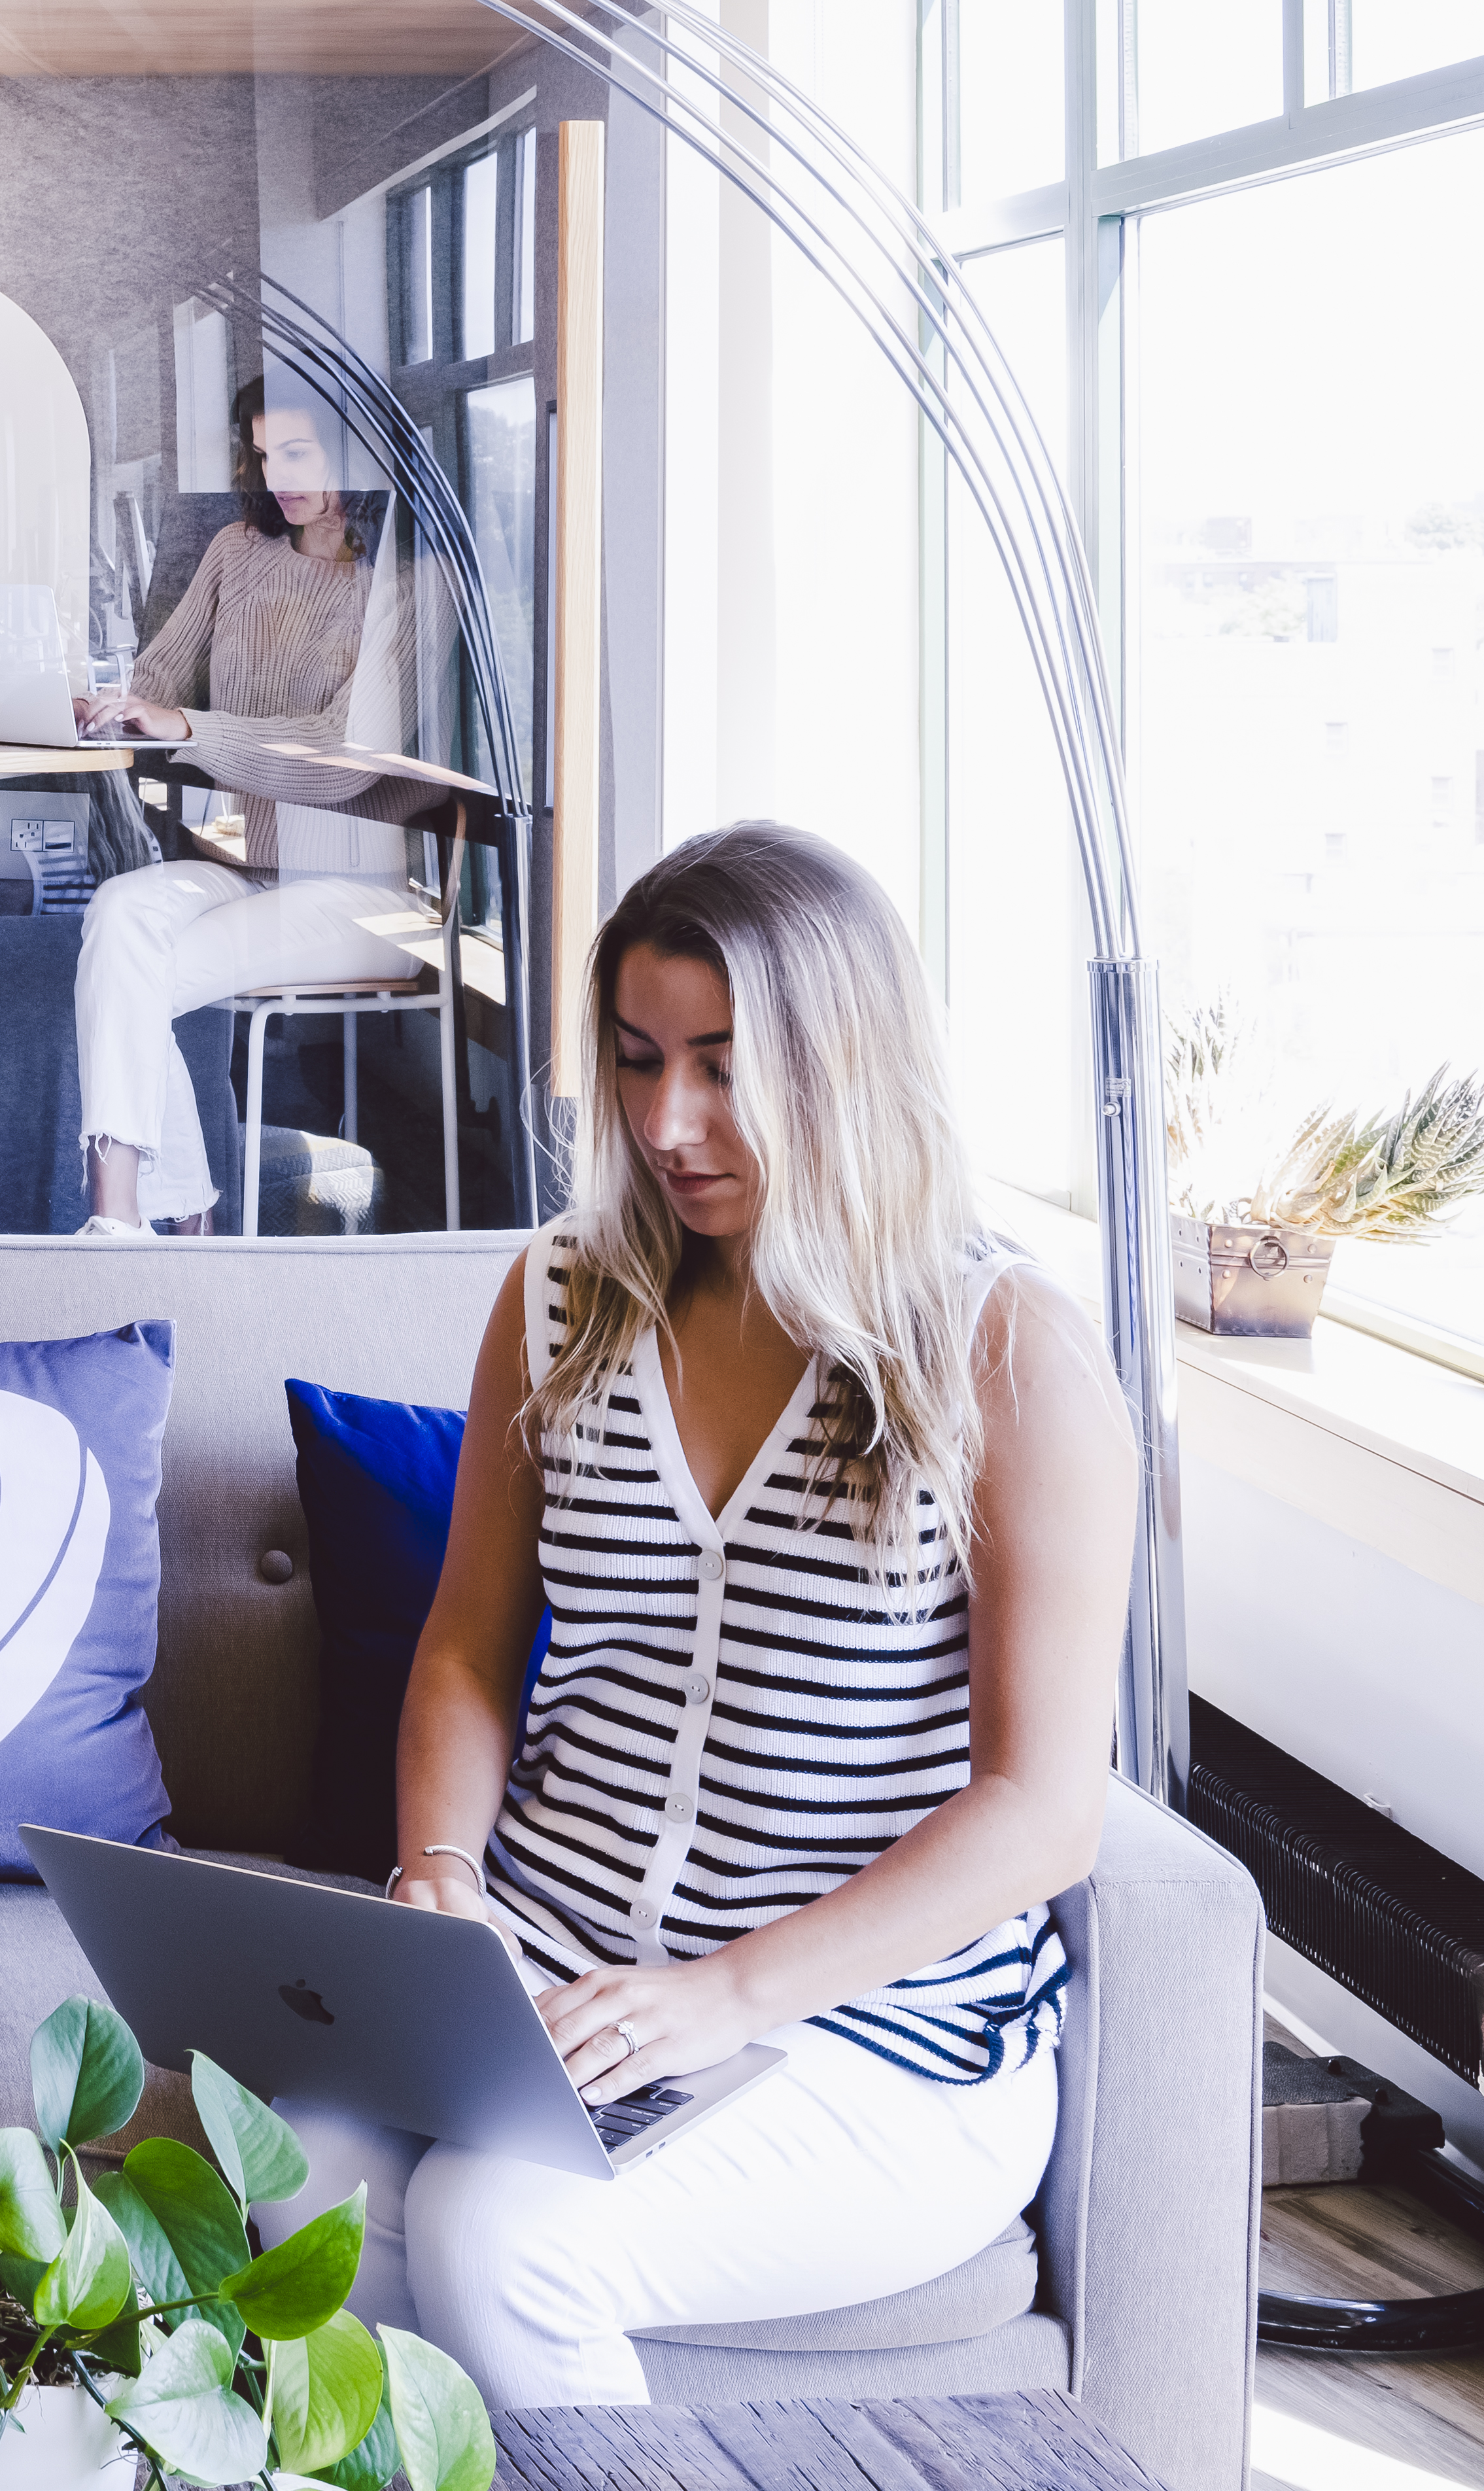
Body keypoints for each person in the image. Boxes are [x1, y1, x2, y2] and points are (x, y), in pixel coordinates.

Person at [274, 820, 1131, 2407]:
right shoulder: (556, 1297)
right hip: (547, 1977)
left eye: (724, 1067)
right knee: (286, 2170)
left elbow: (1039, 1814)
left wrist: (719, 1998)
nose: (667, 1123)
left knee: (499, 2233)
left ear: (845, 1062)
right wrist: (438, 1878)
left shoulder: (1003, 1352)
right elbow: (464, 1643)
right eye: (634, 1060)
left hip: (862, 2039)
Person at [67, 375, 411, 1234]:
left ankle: (170, 1220)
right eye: (263, 456)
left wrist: (186, 724)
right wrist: (103, 702)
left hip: (360, 894)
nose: (277, 476)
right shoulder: (237, 551)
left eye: (297, 453)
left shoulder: (394, 584)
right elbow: (159, 678)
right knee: (119, 915)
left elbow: (340, 761)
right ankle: (132, 1224)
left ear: (351, 449)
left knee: (128, 989)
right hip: (248, 865)